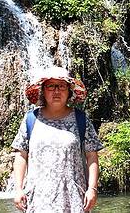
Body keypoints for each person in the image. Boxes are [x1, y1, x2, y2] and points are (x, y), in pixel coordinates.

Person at [11, 66, 104, 212]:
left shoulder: (81, 119)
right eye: (51, 86)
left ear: (69, 91)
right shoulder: (30, 119)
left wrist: (92, 189)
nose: (56, 91)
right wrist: (18, 189)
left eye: (62, 86)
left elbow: (92, 156)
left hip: (73, 200)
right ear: (43, 90)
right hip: (38, 200)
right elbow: (21, 155)